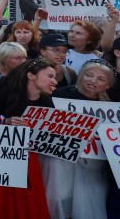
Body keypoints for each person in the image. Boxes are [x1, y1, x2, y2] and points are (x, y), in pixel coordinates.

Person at [0, 59, 55, 219]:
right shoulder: (3, 94)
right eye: (50, 76)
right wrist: (5, 122)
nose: (54, 81)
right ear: (31, 76)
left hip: (30, 160)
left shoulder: (47, 102)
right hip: (1, 159)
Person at [42, 59, 116, 219]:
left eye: (100, 79)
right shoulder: (60, 95)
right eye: (89, 75)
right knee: (59, 200)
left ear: (108, 85)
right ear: (81, 76)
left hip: (92, 165)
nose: (93, 81)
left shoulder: (110, 107)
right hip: (61, 162)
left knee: (86, 204)